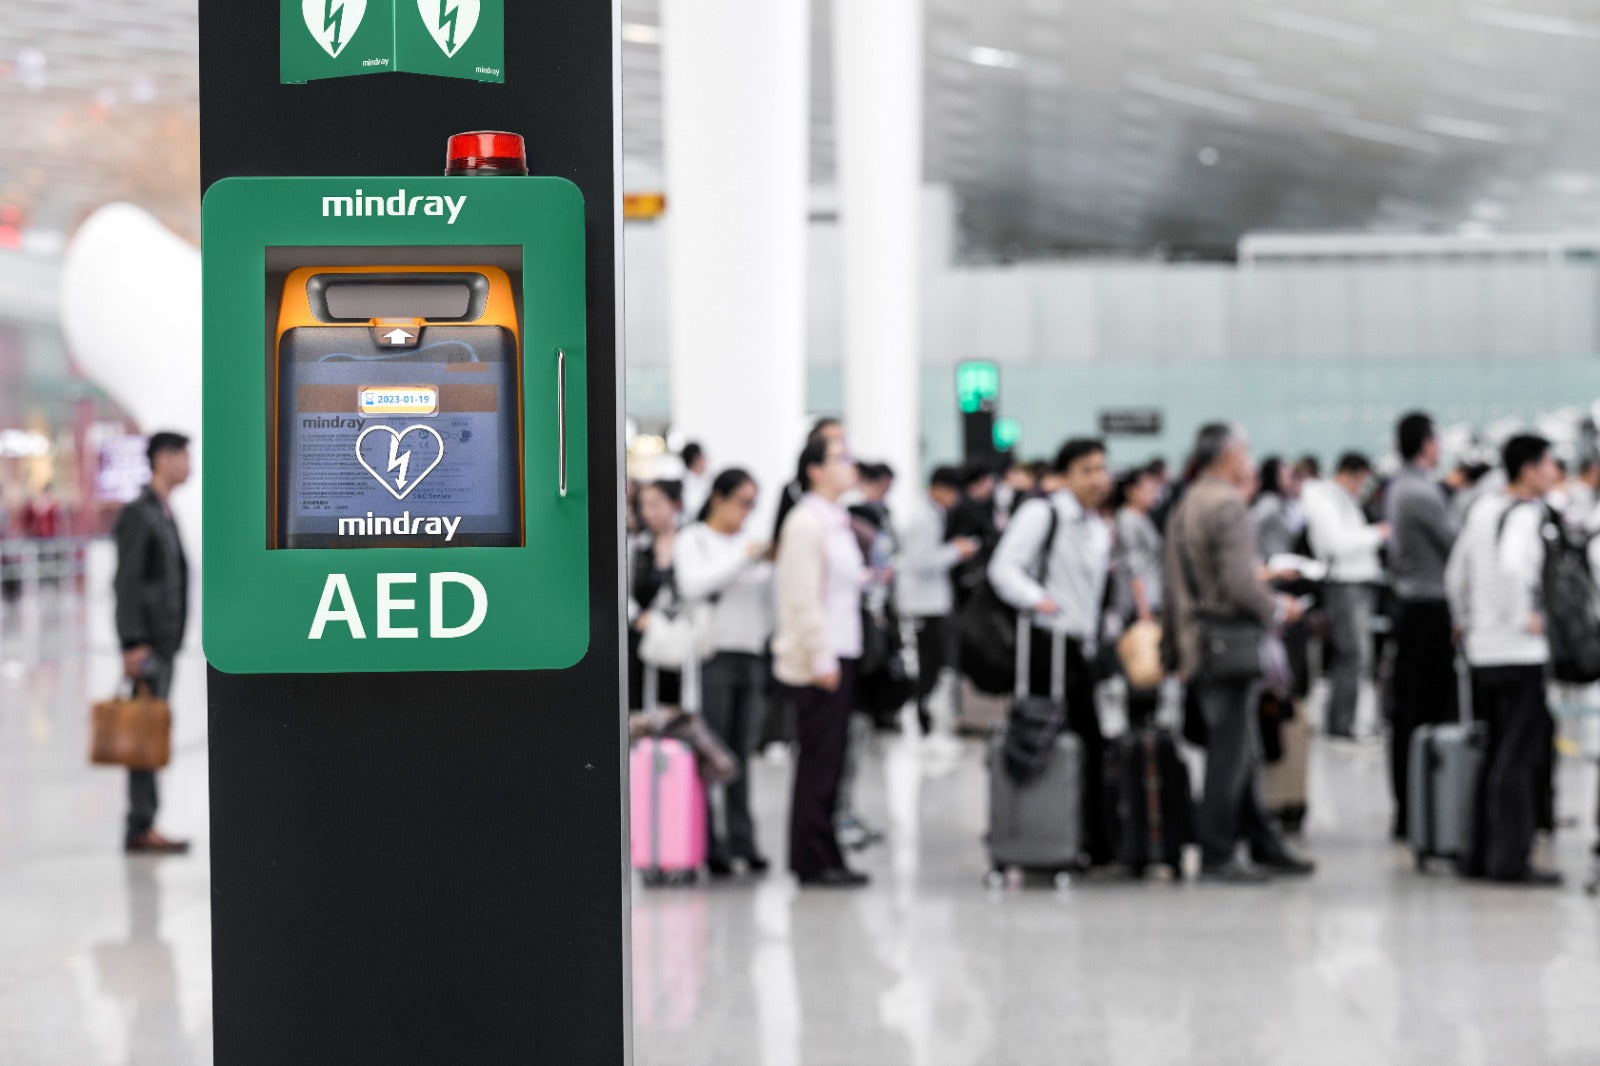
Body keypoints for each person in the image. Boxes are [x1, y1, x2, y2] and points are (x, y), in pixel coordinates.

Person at [1163, 425, 1311, 883]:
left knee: (1238, 746)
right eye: (1244, 451)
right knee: (1230, 753)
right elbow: (1239, 581)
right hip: (1230, 639)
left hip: (1202, 638)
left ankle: (1261, 840)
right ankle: (1217, 850)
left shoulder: (1190, 500)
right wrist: (1277, 608)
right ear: (1228, 456)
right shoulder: (1227, 503)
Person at [988, 438, 1116, 865]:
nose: (1099, 479)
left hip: (1081, 648)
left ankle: (1085, 835)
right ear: (1064, 477)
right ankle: (1058, 835)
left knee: (1089, 743)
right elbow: (1003, 567)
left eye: (1102, 468)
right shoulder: (1043, 514)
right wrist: (1038, 599)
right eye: (1087, 470)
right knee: (1052, 741)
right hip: (1047, 644)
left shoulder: (1097, 527)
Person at [1445, 434, 1563, 885]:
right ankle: (1509, 861)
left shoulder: (1481, 510)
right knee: (1518, 757)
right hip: (1519, 650)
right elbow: (1516, 569)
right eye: (1550, 463)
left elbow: (1456, 574)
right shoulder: (1527, 516)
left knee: (1493, 752)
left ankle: (1477, 853)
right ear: (1529, 469)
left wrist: (1464, 618)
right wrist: (1525, 617)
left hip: (1482, 650)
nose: (1555, 472)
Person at [774, 434, 869, 887]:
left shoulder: (836, 521)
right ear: (814, 469)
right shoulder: (806, 523)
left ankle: (823, 851)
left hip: (841, 651)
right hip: (821, 660)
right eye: (841, 458)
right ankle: (811, 858)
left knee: (832, 763)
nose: (851, 465)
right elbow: (801, 598)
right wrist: (821, 656)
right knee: (818, 762)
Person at [675, 469, 775, 877]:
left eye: (753, 503)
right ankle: (710, 841)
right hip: (712, 655)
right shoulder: (694, 539)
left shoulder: (750, 544)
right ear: (718, 497)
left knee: (743, 752)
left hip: (751, 654)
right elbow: (693, 586)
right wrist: (744, 557)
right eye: (741, 501)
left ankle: (742, 838)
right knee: (712, 753)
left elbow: (767, 601)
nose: (746, 512)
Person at [113, 432, 192, 855]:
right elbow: (125, 585)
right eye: (183, 455)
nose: (189, 464)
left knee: (152, 729)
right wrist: (132, 643)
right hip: (148, 648)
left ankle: (145, 821)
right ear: (163, 459)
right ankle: (140, 826)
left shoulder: (162, 512)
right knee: (143, 731)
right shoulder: (139, 514)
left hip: (164, 644)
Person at [1384, 412, 1460, 840]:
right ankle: (1419, 809)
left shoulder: (1402, 487)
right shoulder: (1419, 492)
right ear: (1426, 444)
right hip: (1426, 611)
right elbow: (1456, 544)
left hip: (1412, 607)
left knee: (1410, 711)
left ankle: (1414, 807)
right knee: (1423, 713)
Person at [1301, 452, 1389, 738]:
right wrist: (1376, 534)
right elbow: (1337, 543)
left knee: (1356, 656)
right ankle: (1341, 724)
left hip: (1357, 583)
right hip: (1344, 585)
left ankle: (1344, 721)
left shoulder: (1341, 499)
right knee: (1352, 655)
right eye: (1361, 481)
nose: (1362, 488)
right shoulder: (1325, 499)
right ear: (1349, 474)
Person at [897, 466, 979, 734]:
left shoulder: (933, 514)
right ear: (940, 488)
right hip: (923, 603)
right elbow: (923, 562)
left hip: (932, 601)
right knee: (928, 663)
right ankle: (920, 710)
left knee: (932, 661)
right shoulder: (922, 518)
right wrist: (957, 551)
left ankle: (924, 709)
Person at [1112, 466, 1166, 728]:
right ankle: (1139, 722)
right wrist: (1143, 607)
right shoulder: (1128, 519)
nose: (1153, 493)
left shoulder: (1140, 517)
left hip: (1149, 598)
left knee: (1149, 664)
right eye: (1147, 488)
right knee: (1140, 663)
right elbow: (1134, 568)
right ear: (1130, 491)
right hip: (1139, 602)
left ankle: (1146, 721)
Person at [628, 481, 684, 713]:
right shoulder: (637, 546)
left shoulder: (690, 542)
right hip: (644, 634)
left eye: (655, 504)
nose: (648, 512)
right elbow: (626, 590)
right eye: (643, 505)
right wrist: (637, 616)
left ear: (675, 505)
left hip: (681, 635)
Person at [772, 417, 845, 543]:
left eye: (842, 440)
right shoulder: (795, 496)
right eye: (834, 440)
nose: (841, 447)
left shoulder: (848, 491)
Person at [1250, 457, 1303, 561]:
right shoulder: (1269, 503)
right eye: (1288, 476)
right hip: (1272, 563)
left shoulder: (1285, 503)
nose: (1292, 481)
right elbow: (1251, 526)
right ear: (1274, 477)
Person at [680, 441, 712, 522]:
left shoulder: (710, 478)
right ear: (696, 459)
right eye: (703, 457)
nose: (705, 460)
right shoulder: (683, 483)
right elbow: (692, 508)